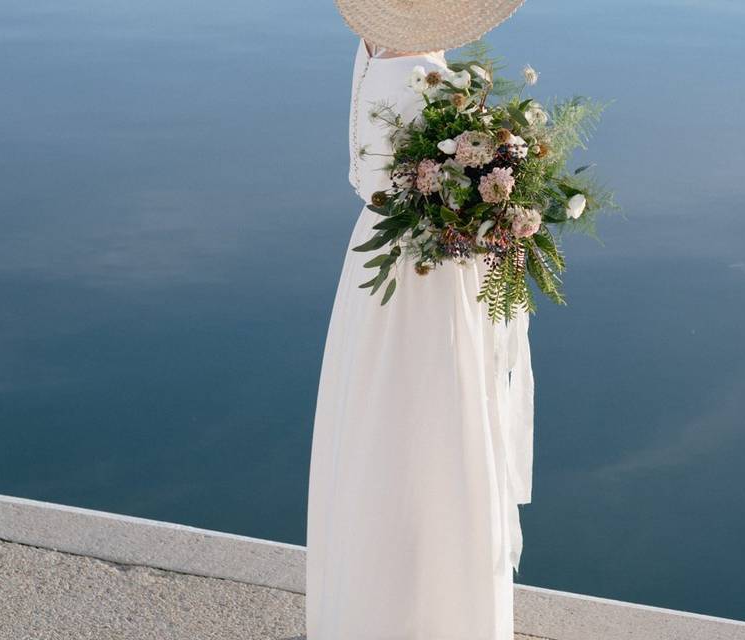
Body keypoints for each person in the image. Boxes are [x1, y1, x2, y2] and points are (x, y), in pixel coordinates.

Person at [306, 2, 532, 638]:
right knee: (437, 423)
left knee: (383, 422)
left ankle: (376, 605)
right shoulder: (417, 72)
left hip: (379, 257)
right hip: (425, 273)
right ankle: (438, 611)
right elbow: (436, 185)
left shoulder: (373, 50)